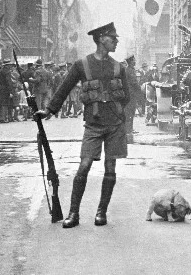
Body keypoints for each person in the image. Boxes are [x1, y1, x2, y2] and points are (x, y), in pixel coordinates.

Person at [35, 22, 130, 228]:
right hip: (93, 125)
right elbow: (65, 87)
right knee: (84, 166)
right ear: (101, 39)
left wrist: (118, 114)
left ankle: (101, 212)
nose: (116, 41)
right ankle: (73, 213)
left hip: (114, 125)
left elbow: (127, 97)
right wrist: (49, 110)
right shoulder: (82, 65)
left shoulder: (118, 67)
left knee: (110, 167)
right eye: (112, 38)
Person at [123, 54, 141, 143]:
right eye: (134, 60)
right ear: (130, 61)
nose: (135, 61)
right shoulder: (130, 70)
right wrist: (140, 89)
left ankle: (129, 129)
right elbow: (134, 82)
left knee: (130, 113)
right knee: (130, 112)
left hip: (130, 94)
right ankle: (128, 130)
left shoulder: (129, 70)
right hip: (131, 95)